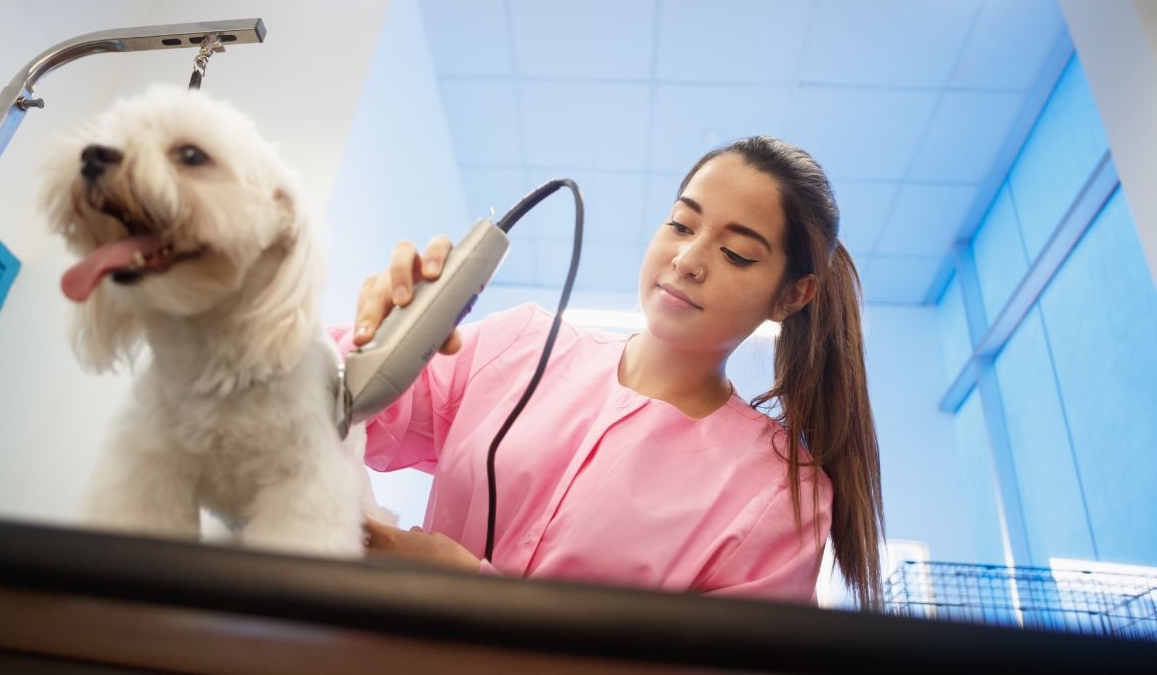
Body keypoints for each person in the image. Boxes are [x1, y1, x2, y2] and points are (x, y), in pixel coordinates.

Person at [334, 135, 885, 609]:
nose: (688, 259)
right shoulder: (517, 346)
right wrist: (380, 338)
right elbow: (328, 416)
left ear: (792, 295)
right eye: (680, 224)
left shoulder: (777, 495)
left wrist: (469, 593)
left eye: (737, 253)